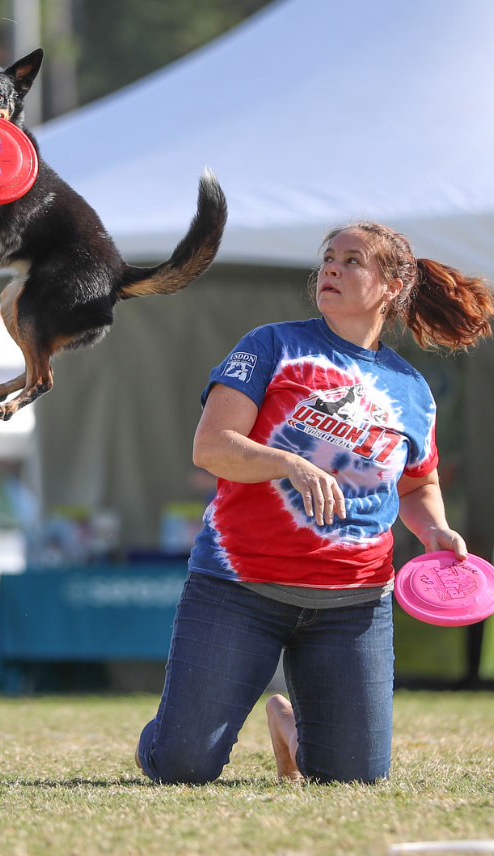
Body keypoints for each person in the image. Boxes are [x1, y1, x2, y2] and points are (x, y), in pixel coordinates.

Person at [135, 221, 494, 785]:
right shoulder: (271, 345)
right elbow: (211, 447)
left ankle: (290, 731)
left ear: (393, 285)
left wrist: (436, 532)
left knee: (354, 780)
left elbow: (417, 485)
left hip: (354, 604)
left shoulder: (411, 390)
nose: (331, 268)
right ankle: (173, 733)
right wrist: (288, 463)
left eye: (352, 261)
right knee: (182, 768)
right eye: (329, 258)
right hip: (239, 590)